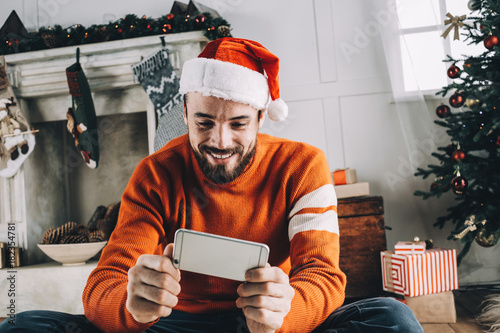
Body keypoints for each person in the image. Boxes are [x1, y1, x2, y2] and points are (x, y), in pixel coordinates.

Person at [0, 37, 423, 333]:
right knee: (19, 325)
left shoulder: (303, 165)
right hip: (171, 325)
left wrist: (285, 314)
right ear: (184, 113)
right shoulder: (156, 173)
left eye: (238, 123)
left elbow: (322, 277)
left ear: (261, 117)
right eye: (204, 122)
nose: (220, 142)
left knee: (392, 319)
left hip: (270, 324)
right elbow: (104, 284)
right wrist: (130, 304)